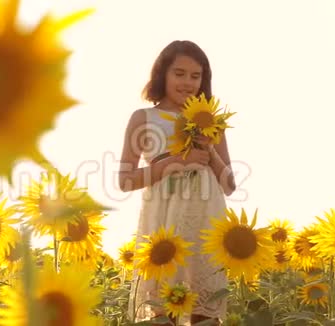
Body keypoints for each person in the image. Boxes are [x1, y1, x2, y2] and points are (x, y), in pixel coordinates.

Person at [118, 40, 236, 325]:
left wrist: (207, 149)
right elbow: (125, 181)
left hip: (206, 217)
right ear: (163, 74)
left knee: (203, 310)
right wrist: (175, 163)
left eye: (196, 76)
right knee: (163, 309)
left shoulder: (210, 121)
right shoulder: (144, 118)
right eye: (179, 73)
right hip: (163, 217)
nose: (187, 82)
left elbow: (230, 184)